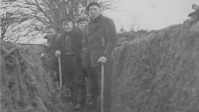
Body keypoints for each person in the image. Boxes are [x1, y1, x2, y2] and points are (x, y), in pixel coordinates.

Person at [85, 2, 117, 112]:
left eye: (95, 9)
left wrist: (105, 55)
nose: (93, 12)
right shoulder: (88, 25)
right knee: (93, 88)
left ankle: (105, 109)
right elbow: (87, 43)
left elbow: (112, 40)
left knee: (104, 87)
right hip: (92, 61)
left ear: (99, 10)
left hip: (104, 60)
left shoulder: (108, 21)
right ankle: (95, 109)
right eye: (90, 10)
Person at [55, 17, 86, 110]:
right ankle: (73, 101)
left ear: (72, 24)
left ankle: (80, 103)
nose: (66, 26)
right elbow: (60, 47)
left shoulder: (78, 34)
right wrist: (58, 51)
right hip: (66, 61)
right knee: (69, 82)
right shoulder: (61, 37)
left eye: (67, 24)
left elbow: (83, 47)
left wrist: (78, 57)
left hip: (76, 60)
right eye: (64, 24)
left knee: (79, 82)